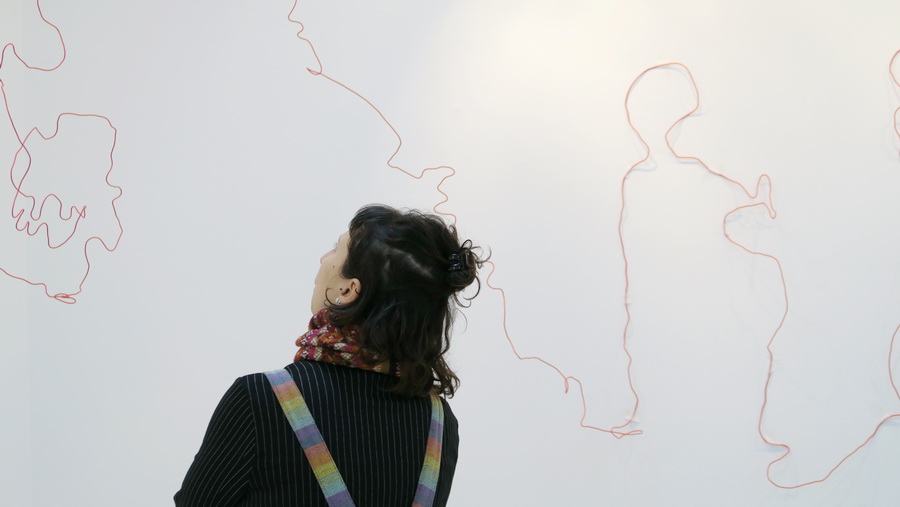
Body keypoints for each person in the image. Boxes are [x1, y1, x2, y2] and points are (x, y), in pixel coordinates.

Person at [175, 204, 483, 506]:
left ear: (348, 291)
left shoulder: (260, 399)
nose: (323, 258)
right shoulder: (438, 423)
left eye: (336, 249)